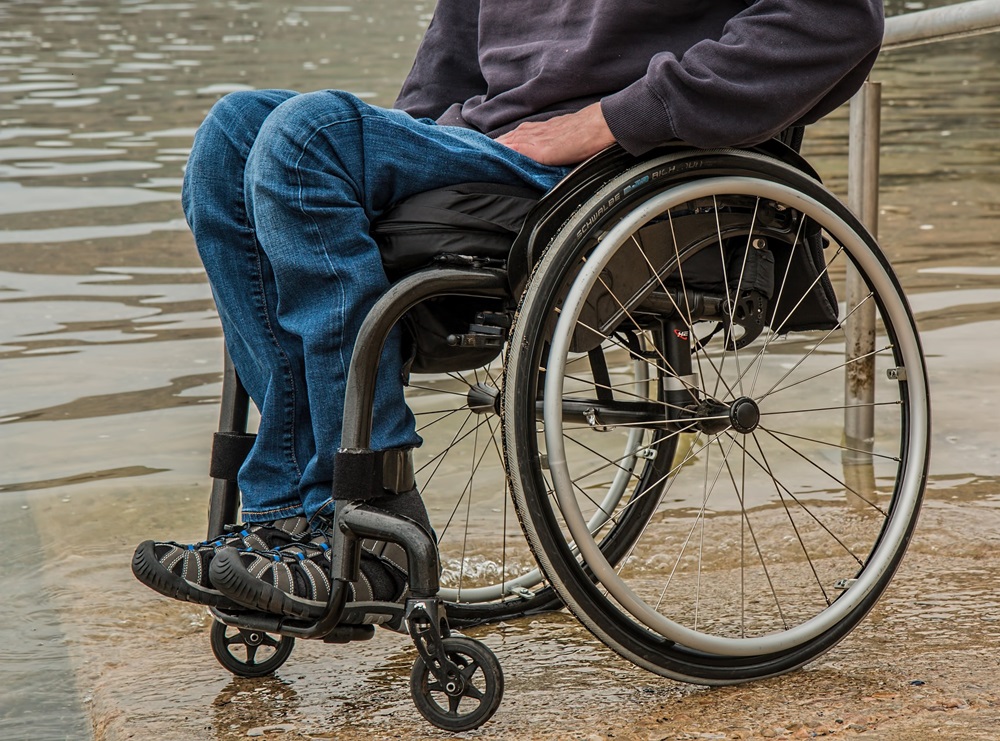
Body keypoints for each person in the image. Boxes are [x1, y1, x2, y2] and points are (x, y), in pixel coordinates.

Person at [132, 0, 885, 619]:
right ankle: (282, 522)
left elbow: (836, 19)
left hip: (612, 160)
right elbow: (450, 57)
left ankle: (373, 518)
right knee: (231, 134)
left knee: (306, 138)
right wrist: (402, 153)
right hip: (489, 147)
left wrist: (611, 118)